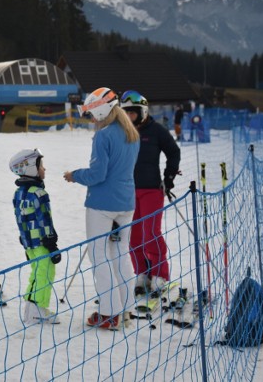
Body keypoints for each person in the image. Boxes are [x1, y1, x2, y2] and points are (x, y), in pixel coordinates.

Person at [63, 87, 140, 330]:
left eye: (92, 113)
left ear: (101, 111)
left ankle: (108, 313)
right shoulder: (131, 133)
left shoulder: (103, 136)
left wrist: (74, 175)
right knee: (121, 253)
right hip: (126, 203)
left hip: (102, 205)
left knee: (99, 257)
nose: (92, 118)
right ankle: (126, 309)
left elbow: (97, 174)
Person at [120, 90, 181, 296]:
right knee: (134, 236)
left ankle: (160, 274)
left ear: (142, 111)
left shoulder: (156, 131)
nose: (129, 117)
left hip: (152, 190)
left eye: (132, 113)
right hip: (128, 191)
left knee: (151, 233)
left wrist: (169, 176)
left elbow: (173, 152)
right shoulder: (122, 132)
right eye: (125, 112)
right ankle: (142, 273)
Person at [10, 148, 61, 325]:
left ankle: (33, 307)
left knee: (38, 271)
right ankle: (37, 309)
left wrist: (25, 241)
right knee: (45, 272)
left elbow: (20, 219)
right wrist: (51, 243)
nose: (44, 169)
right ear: (31, 168)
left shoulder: (19, 194)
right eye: (41, 165)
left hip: (29, 243)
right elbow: (44, 220)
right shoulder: (39, 194)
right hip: (42, 242)